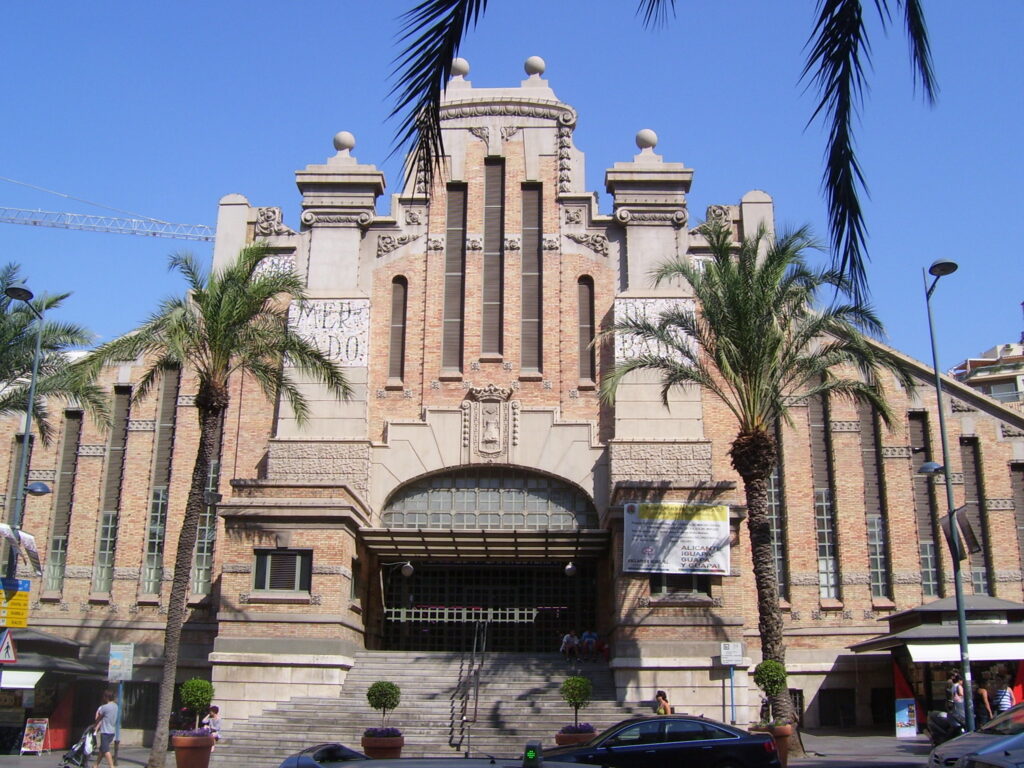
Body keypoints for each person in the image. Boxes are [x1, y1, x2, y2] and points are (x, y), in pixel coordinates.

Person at [93, 689, 117, 768]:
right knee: (102, 749)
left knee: (106, 750)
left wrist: (95, 726)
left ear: (106, 697)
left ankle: (111, 766)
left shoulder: (104, 707)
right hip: (112, 731)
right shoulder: (116, 706)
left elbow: (99, 718)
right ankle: (96, 765)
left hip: (105, 731)